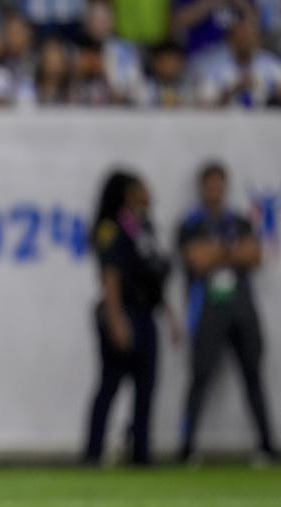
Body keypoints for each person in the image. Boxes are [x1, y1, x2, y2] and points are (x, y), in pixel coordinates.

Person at [177, 162, 277, 463]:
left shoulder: (240, 220)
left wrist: (218, 251)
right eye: (210, 184)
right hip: (208, 307)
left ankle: (266, 445)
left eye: (220, 184)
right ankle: (187, 448)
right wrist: (232, 251)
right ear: (202, 188)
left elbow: (256, 255)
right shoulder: (192, 223)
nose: (215, 190)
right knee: (200, 376)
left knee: (253, 375)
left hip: (241, 306)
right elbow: (197, 260)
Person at [84, 171, 179, 466]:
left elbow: (151, 277)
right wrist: (116, 319)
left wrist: (170, 315)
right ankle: (93, 453)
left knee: (146, 387)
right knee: (110, 384)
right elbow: (110, 276)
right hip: (122, 312)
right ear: (128, 192)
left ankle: (140, 452)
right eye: (142, 187)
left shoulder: (144, 227)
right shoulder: (111, 228)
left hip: (145, 311)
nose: (149, 191)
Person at [196, 18, 281, 107]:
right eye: (241, 38)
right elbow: (204, 105)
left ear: (258, 40)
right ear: (230, 40)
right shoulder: (214, 68)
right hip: (226, 119)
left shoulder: (273, 65)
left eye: (249, 38)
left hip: (267, 119)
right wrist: (232, 91)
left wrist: (271, 91)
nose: (245, 43)